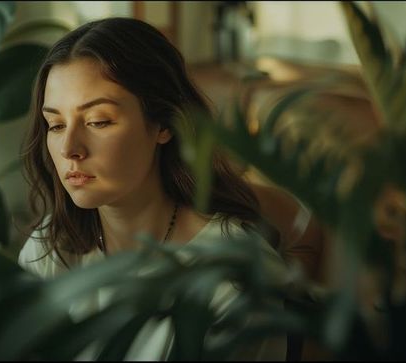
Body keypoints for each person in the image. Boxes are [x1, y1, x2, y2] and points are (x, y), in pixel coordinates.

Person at [18, 17, 291, 360]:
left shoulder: (232, 281)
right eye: (55, 124)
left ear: (164, 123)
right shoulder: (50, 250)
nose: (69, 147)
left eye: (98, 121)